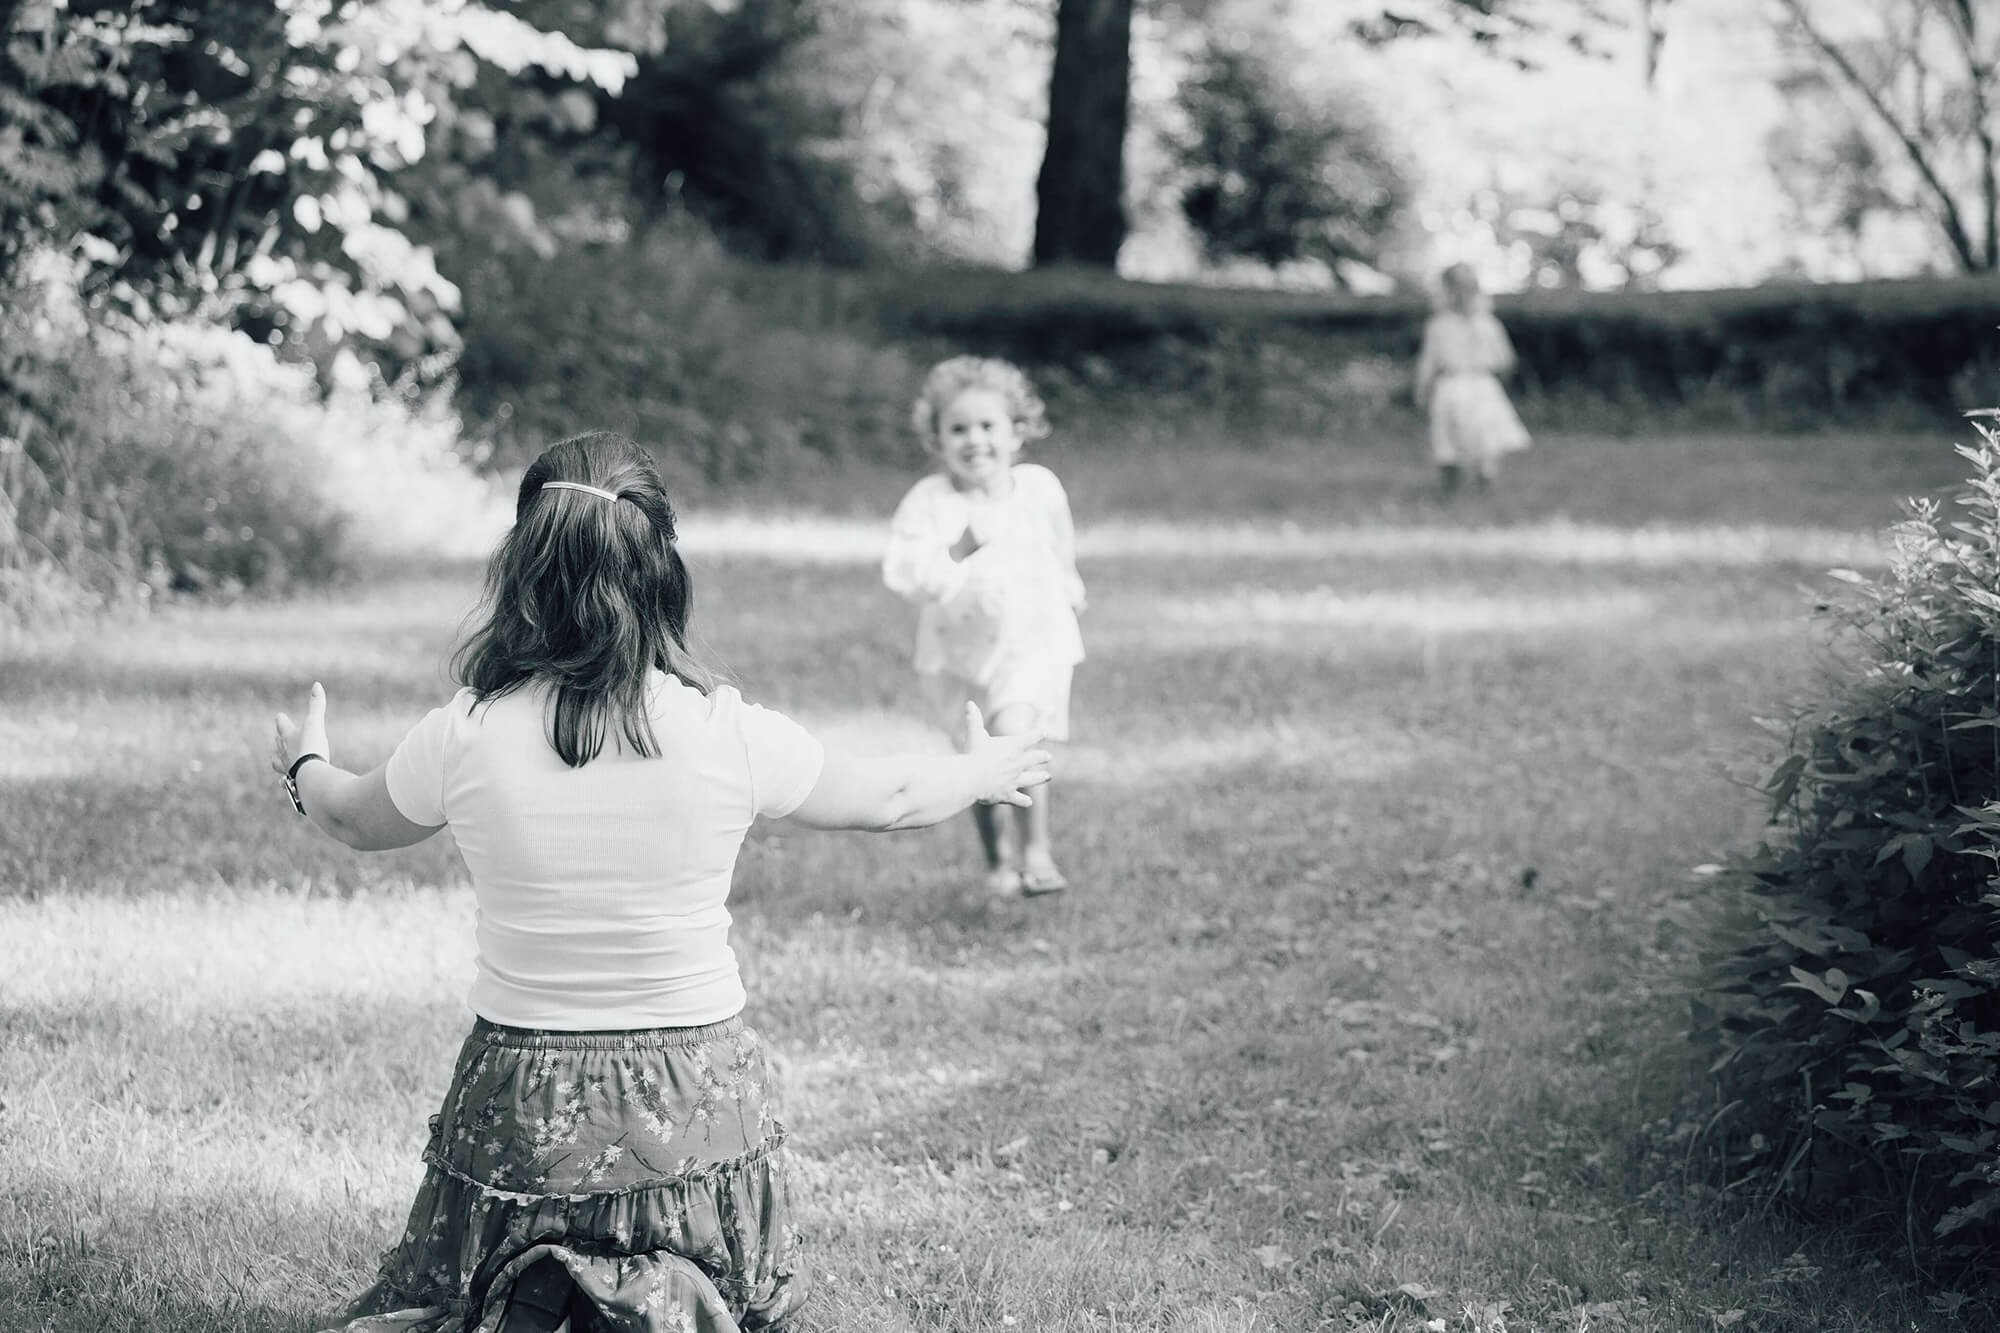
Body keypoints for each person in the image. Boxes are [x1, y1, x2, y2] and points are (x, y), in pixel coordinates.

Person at [271, 430, 1050, 1333]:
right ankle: (668, 1295)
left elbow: (350, 817)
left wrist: (304, 761)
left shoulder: (467, 732)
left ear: (521, 568)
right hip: (691, 1095)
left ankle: (542, 1291)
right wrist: (984, 769)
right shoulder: (724, 731)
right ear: (660, 568)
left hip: (523, 1099)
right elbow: (895, 794)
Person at [881, 356, 1085, 898]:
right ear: (937, 438)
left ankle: (1037, 849)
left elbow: (1060, 538)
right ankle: (998, 861)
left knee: (1017, 734)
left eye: (988, 426)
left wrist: (1069, 580)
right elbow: (906, 575)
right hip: (960, 658)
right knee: (980, 762)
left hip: (1031, 644)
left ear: (1017, 432)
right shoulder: (930, 503)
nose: (975, 440)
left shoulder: (1038, 487)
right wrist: (958, 550)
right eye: (958, 429)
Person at [1413, 262, 1531, 497]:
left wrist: (1421, 390)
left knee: (1448, 437)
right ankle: (1484, 482)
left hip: (1451, 385)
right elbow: (1507, 359)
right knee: (1485, 437)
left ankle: (1450, 488)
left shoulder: (1438, 325)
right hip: (1484, 385)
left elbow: (1428, 363)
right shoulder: (1489, 323)